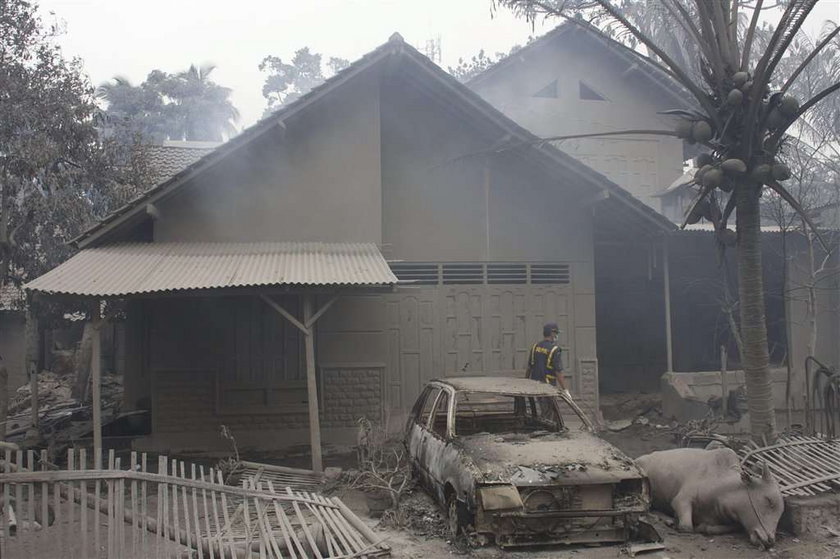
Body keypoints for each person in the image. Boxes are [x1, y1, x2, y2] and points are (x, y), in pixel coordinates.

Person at [526, 322, 570, 397]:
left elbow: (529, 367)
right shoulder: (555, 349)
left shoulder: (535, 346)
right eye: (556, 333)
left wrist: (526, 382)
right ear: (552, 333)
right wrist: (565, 389)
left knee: (543, 407)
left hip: (534, 386)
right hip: (548, 387)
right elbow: (558, 371)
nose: (556, 336)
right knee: (550, 408)